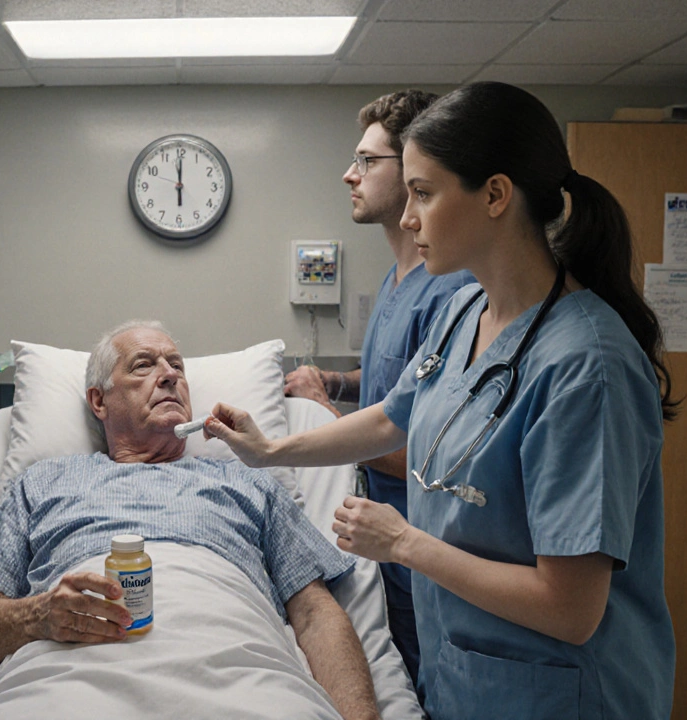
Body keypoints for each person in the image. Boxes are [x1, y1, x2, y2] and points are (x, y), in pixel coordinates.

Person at [207, 82, 678, 719]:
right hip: (463, 678)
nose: (407, 217)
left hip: (560, 694)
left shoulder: (584, 368)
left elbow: (570, 609)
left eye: (423, 194)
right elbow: (393, 417)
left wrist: (404, 543)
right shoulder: (464, 310)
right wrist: (270, 451)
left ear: (494, 195)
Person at [0, 321, 380, 720]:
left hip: (238, 666)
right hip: (68, 676)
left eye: (176, 366)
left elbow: (314, 615)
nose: (170, 375)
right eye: (143, 366)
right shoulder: (42, 483)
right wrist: (38, 616)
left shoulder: (248, 482)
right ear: (99, 400)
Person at [284, 89, 472, 683]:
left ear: (416, 167)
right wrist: (338, 382)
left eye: (367, 161)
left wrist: (322, 415)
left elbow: (431, 448)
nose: (350, 175)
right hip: (386, 543)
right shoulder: (400, 278)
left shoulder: (449, 290)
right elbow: (407, 386)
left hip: (423, 541)